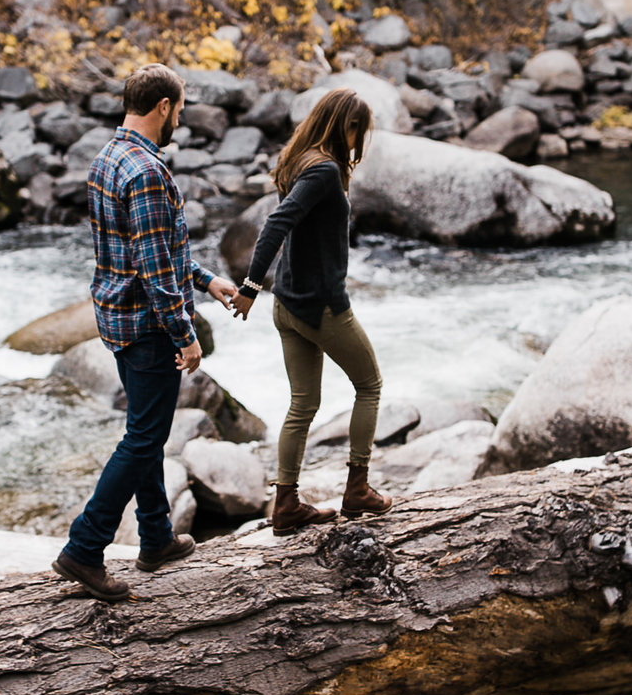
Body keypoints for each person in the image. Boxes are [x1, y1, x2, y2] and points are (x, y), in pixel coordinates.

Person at [55, 63, 242, 599]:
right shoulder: (147, 172)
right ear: (163, 106)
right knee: (142, 439)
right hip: (146, 325)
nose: (180, 118)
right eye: (180, 110)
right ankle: (85, 548)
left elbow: (145, 249)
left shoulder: (109, 159)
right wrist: (185, 334)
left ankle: (156, 537)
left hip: (117, 318)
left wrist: (206, 281)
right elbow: (156, 267)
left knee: (148, 431)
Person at [232, 86, 393, 533]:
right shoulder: (323, 170)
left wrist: (260, 290)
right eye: (356, 127)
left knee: (302, 405)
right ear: (344, 124)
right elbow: (276, 222)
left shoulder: (300, 159)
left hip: (287, 305)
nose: (358, 138)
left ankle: (285, 505)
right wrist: (249, 283)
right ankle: (358, 489)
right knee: (370, 385)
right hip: (321, 307)